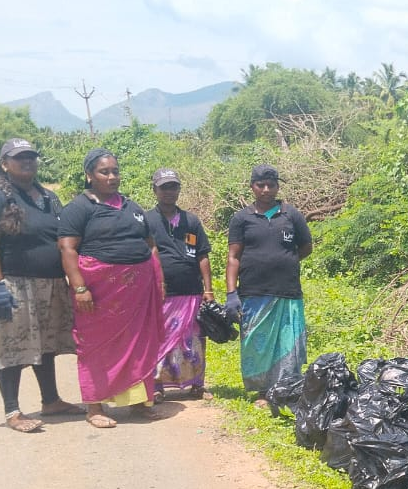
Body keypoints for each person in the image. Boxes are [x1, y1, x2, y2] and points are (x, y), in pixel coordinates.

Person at [0, 138, 83, 432]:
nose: (27, 162)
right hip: (14, 285)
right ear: (4, 164)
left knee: (45, 344)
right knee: (12, 347)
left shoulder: (49, 198)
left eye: (31, 157)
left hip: (51, 284)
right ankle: (13, 411)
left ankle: (51, 400)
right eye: (19, 157)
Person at [58, 148, 165, 428]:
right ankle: (94, 407)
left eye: (115, 171)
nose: (112, 176)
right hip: (101, 294)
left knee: (140, 343)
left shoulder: (132, 207)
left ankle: (140, 402)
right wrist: (80, 288)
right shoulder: (79, 208)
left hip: (138, 293)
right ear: (89, 175)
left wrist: (159, 280)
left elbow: (150, 244)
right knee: (97, 346)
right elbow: (68, 249)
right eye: (104, 171)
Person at [225, 164, 313, 398]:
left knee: (288, 345)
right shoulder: (241, 218)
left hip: (287, 293)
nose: (266, 189)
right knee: (256, 344)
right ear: (252, 187)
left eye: (271, 185)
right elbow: (233, 257)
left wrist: (286, 261)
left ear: (277, 186)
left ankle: (285, 391)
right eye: (260, 185)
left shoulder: (291, 215)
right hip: (253, 293)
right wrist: (231, 293)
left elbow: (306, 247)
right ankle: (263, 391)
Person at [146, 168, 214, 401]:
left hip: (191, 292)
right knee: (161, 338)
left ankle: (196, 383)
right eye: (164, 187)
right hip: (162, 293)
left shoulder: (190, 221)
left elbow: (202, 255)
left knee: (194, 338)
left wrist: (208, 289)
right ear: (155, 190)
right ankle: (156, 386)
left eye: (173, 187)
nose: (169, 192)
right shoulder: (147, 220)